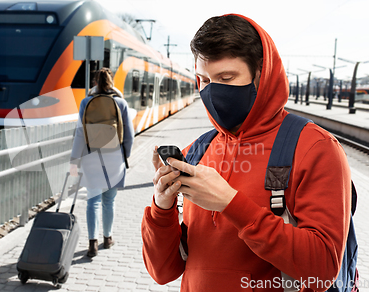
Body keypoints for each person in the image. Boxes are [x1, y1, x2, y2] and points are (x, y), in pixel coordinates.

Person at [141, 14, 351, 291]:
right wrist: (161, 208)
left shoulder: (314, 148)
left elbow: (322, 272)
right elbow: (163, 272)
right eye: (203, 80)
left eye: (226, 78)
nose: (212, 91)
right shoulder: (197, 150)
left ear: (261, 74)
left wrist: (231, 204)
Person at [70, 67, 134, 258]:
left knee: (93, 202)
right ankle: (108, 238)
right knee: (109, 201)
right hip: (115, 158)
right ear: (111, 81)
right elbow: (129, 135)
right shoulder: (120, 103)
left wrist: (75, 160)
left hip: (92, 158)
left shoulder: (86, 102)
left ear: (95, 83)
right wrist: (125, 155)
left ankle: (92, 244)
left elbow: (80, 134)